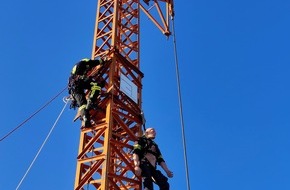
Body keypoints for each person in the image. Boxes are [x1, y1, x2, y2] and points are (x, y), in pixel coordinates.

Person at [68, 58, 105, 127]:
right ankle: (91, 101)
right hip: (78, 83)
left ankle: (86, 119)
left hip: (74, 90)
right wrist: (101, 61)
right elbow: (91, 63)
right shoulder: (83, 63)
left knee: (82, 105)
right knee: (96, 86)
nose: (89, 70)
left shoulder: (74, 72)